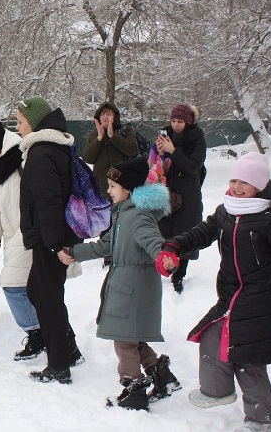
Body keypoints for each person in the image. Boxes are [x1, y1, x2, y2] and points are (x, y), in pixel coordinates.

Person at [157, 152, 271, 432]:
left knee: (247, 357)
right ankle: (217, 391)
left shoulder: (268, 218)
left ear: (260, 185)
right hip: (231, 296)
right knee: (211, 335)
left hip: (260, 300)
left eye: (245, 182)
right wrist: (173, 247)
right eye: (234, 180)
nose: (237, 187)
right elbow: (201, 233)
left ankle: (262, 419)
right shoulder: (227, 211)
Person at [61, 156, 181, 410]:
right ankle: (162, 377)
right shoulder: (124, 214)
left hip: (134, 290)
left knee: (124, 342)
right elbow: (106, 246)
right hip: (127, 286)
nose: (109, 191)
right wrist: (74, 252)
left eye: (113, 186)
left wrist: (164, 257)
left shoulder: (138, 217)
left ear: (128, 189)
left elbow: (153, 242)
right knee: (132, 338)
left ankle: (134, 392)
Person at [15, 95, 83, 384]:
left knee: (47, 298)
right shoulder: (53, 146)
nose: (17, 127)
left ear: (34, 122)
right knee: (40, 291)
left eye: (20, 122)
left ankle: (59, 364)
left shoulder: (41, 152)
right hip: (52, 235)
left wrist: (55, 245)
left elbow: (48, 202)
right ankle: (68, 350)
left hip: (50, 238)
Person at [0, 117, 44, 360]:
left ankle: (39, 335)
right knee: (30, 290)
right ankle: (49, 335)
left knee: (14, 285)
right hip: (15, 242)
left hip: (31, 237)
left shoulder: (24, 164)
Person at [154, 103, 206, 293]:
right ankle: (163, 266)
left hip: (188, 195)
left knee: (184, 234)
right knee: (163, 232)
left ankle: (179, 275)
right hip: (167, 193)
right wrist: (159, 154)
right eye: (173, 120)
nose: (176, 125)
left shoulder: (197, 138)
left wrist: (174, 151)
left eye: (180, 121)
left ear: (189, 122)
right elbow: (154, 166)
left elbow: (193, 167)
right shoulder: (166, 135)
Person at [82, 102, 139, 201]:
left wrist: (113, 136)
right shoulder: (94, 135)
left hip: (122, 187)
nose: (105, 117)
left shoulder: (125, 130)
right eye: (102, 114)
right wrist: (99, 139)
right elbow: (87, 158)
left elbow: (133, 151)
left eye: (108, 114)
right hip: (101, 188)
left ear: (115, 117)